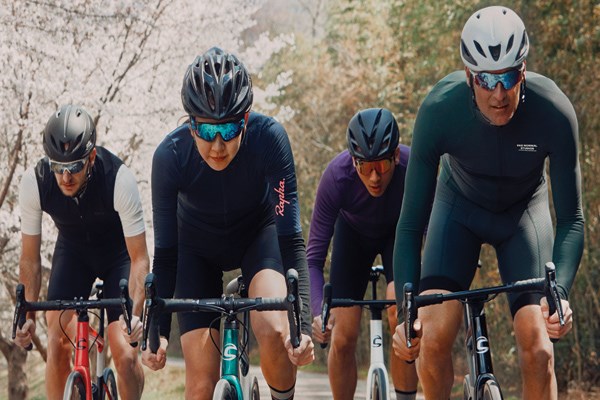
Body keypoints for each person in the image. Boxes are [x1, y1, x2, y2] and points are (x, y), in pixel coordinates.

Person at [392, 6, 583, 400]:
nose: (499, 94)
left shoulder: (554, 112)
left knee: (539, 349)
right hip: (457, 213)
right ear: (468, 76)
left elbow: (572, 220)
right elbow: (410, 226)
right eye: (486, 79)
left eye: (509, 77)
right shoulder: (439, 111)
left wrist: (559, 294)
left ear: (523, 70)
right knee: (430, 338)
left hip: (523, 217)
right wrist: (406, 312)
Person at [145, 46, 314, 400]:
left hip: (258, 237)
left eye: (230, 129)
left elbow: (291, 239)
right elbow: (166, 254)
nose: (218, 145)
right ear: (190, 124)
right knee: (200, 386)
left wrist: (299, 326)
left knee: (272, 330)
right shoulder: (169, 157)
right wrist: (156, 332)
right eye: (207, 131)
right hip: (195, 251)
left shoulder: (270, 139)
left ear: (247, 119)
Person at [15, 105, 149, 400]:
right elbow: (29, 259)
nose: (65, 177)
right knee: (57, 340)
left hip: (119, 257)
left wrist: (135, 317)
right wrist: (28, 315)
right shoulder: (34, 182)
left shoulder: (119, 178)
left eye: (74, 166)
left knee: (124, 352)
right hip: (73, 254)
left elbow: (139, 258)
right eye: (57, 167)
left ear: (91, 158)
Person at [307, 108, 418, 400]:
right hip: (353, 239)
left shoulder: (413, 167)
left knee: (400, 317)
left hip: (400, 234)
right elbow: (313, 257)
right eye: (364, 166)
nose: (373, 177)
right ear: (352, 161)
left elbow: (431, 235)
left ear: (395, 155)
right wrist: (319, 310)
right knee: (342, 336)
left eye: (381, 165)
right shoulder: (337, 177)